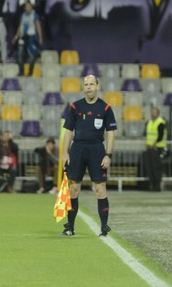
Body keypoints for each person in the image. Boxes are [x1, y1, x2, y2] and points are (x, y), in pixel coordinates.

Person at [61, 74, 116, 237]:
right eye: (86, 85)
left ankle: (104, 227)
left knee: (100, 189)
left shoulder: (105, 108)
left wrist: (108, 155)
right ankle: (70, 227)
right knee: (74, 189)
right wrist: (65, 153)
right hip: (78, 149)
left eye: (92, 84)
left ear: (97, 86)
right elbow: (68, 131)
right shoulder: (75, 107)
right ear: (83, 87)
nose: (89, 87)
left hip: (97, 150)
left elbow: (111, 133)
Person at [13, 0, 43, 76]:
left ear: (32, 7)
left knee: (32, 55)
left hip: (31, 37)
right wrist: (16, 36)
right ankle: (21, 72)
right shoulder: (23, 15)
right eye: (26, 7)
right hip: (22, 37)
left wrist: (40, 37)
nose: (27, 8)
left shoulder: (34, 15)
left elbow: (38, 26)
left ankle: (30, 71)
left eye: (29, 7)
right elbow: (20, 26)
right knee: (20, 55)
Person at [144, 107, 166, 192]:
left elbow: (160, 135)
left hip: (157, 148)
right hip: (149, 148)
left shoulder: (161, 122)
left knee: (156, 167)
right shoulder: (149, 122)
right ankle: (152, 185)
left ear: (158, 113)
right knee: (150, 168)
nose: (153, 114)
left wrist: (154, 144)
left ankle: (157, 186)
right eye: (152, 112)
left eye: (154, 112)